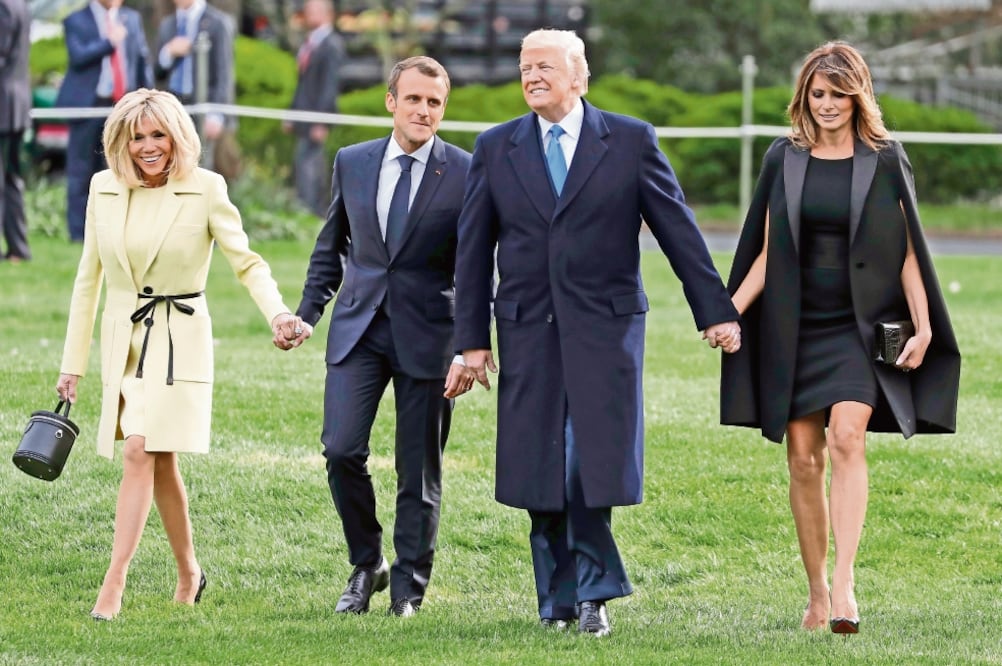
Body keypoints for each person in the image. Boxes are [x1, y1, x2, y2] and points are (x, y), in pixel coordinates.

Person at [453, 29, 740, 637]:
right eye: (526, 67)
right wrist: (472, 338)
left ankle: (593, 590)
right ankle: (558, 598)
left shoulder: (630, 141)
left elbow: (677, 229)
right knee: (539, 466)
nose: (532, 76)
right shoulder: (495, 146)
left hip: (607, 329)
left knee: (587, 461)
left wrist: (713, 309)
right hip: (527, 328)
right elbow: (473, 251)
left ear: (579, 77)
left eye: (546, 67)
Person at [720, 42, 961, 634]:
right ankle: (817, 594)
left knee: (848, 435)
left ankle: (847, 585)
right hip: (793, 327)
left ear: (858, 95)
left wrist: (925, 325)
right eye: (817, 94)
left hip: (857, 328)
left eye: (838, 94)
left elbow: (908, 252)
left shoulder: (884, 158)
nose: (827, 105)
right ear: (805, 97)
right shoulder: (785, 157)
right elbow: (768, 249)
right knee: (803, 459)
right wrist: (727, 311)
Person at [55, 88, 303, 621]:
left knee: (139, 450)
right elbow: (87, 282)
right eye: (137, 136)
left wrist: (279, 313)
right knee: (158, 457)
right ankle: (190, 571)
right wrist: (71, 365)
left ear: (177, 136)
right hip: (124, 341)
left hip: (179, 340)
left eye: (158, 134)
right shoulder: (104, 189)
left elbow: (248, 263)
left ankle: (112, 584)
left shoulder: (206, 188)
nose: (148, 146)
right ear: (120, 141)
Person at [276, 56, 474, 618]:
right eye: (413, 99)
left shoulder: (464, 170)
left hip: (428, 338)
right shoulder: (354, 161)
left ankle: (408, 588)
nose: (424, 111)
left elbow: (476, 266)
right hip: (358, 329)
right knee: (340, 449)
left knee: (418, 469)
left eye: (434, 102)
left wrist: (468, 345)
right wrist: (308, 312)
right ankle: (368, 564)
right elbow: (331, 245)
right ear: (391, 101)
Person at [56, 0, 152, 242]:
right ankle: (78, 234)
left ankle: (113, 232)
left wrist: (147, 101)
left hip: (120, 108)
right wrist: (109, 42)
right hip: (87, 106)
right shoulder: (76, 20)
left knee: (116, 171)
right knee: (80, 171)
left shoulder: (131, 18)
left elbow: (141, 61)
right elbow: (78, 57)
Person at [155, 0, 236, 177]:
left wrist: (216, 113)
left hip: (205, 107)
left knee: (207, 170)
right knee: (174, 167)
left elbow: (224, 73)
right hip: (174, 107)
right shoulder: (168, 24)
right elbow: (158, 73)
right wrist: (168, 52)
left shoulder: (217, 22)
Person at [283, 0, 345, 217]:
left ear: (329, 14)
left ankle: (314, 212)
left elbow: (330, 85)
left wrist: (322, 120)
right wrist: (292, 113)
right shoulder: (309, 42)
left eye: (315, 10)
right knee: (302, 165)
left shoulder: (331, 44)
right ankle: (305, 209)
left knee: (312, 167)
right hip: (303, 116)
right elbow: (302, 83)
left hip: (316, 118)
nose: (309, 14)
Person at [0, 0, 31, 262]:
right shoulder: (18, 3)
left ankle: (17, 248)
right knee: (11, 179)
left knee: (6, 180)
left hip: (3, 104)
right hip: (14, 105)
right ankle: (18, 248)